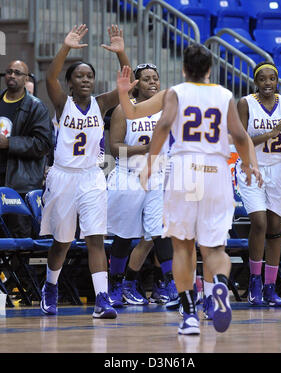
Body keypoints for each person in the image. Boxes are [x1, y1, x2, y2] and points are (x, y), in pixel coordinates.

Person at [117, 44, 260, 335]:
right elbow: (241, 137)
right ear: (210, 69)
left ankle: (190, 315)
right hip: (217, 171)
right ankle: (218, 288)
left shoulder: (175, 93)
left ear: (184, 68)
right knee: (216, 247)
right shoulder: (224, 95)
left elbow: (151, 120)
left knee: (184, 247)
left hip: (184, 170)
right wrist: (250, 165)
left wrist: (150, 162)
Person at [40, 24, 132, 319]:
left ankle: (102, 299)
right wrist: (65, 47)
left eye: (89, 76)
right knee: (62, 241)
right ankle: (50, 286)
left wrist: (121, 53)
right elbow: (49, 76)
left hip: (92, 176)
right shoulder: (61, 103)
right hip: (64, 176)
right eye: (79, 76)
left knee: (95, 237)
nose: (85, 80)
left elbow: (126, 84)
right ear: (69, 83)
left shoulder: (101, 103)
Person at [107, 63, 178, 308]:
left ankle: (170, 284)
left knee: (160, 231)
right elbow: (115, 148)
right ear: (136, 84)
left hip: (157, 175)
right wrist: (145, 149)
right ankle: (115, 285)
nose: (153, 83)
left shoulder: (166, 110)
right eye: (147, 79)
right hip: (128, 174)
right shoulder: (123, 110)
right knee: (125, 236)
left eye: (156, 79)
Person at [235, 61, 281, 307]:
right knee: (258, 222)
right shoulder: (245, 103)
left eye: (272, 79)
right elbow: (240, 140)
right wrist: (270, 134)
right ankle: (255, 281)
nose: (268, 83)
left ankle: (271, 286)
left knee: (274, 226)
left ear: (277, 81)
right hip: (251, 166)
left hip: (278, 170)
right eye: (263, 79)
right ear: (255, 82)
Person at [0, 59, 52, 237]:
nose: (12, 75)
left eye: (17, 72)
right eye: (9, 71)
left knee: (17, 236)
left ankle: (16, 266)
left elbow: (43, 144)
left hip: (20, 183)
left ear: (27, 78)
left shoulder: (36, 107)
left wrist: (9, 143)